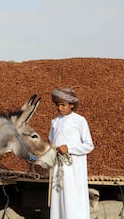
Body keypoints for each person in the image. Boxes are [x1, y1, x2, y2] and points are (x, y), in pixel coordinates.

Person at [49, 87, 94, 219]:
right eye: (58, 105)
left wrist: (69, 149)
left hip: (74, 168)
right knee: (58, 197)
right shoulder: (54, 122)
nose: (60, 108)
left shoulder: (80, 121)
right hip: (58, 167)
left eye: (63, 105)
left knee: (73, 198)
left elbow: (89, 145)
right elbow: (52, 141)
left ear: (72, 105)